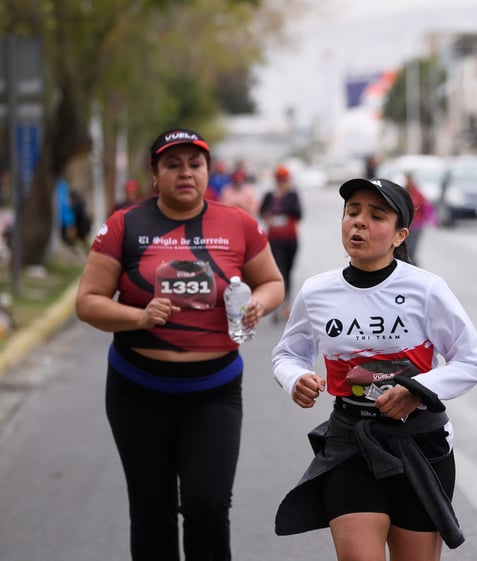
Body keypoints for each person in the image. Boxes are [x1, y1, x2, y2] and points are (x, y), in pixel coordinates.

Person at [75, 127, 285, 561]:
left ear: (208, 171)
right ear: (154, 174)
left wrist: (258, 305)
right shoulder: (125, 224)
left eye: (195, 164)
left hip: (214, 391)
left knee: (207, 506)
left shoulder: (239, 224)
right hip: (138, 391)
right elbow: (87, 302)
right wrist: (139, 315)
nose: (185, 173)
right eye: (173, 164)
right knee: (151, 512)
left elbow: (273, 282)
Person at [271, 177, 477, 561]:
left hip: (420, 444)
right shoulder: (317, 291)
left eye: (376, 216)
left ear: (399, 234)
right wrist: (295, 379)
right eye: (352, 212)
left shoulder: (427, 289)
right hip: (350, 441)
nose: (359, 223)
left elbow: (471, 360)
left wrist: (416, 390)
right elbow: (288, 354)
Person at [260, 164, 302, 323]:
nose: (282, 182)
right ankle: (278, 303)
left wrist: (284, 206)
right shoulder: (269, 195)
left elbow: (299, 214)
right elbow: (261, 211)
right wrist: (269, 216)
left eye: (284, 179)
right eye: (279, 179)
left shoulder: (292, 195)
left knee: (289, 271)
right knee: (280, 270)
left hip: (290, 238)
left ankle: (286, 302)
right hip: (274, 239)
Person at [403, 171, 436, 266]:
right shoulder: (403, 192)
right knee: (404, 250)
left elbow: (426, 207)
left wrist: (432, 220)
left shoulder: (418, 194)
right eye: (407, 179)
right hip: (405, 225)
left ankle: (415, 269)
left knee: (412, 249)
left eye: (410, 179)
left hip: (416, 225)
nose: (408, 181)